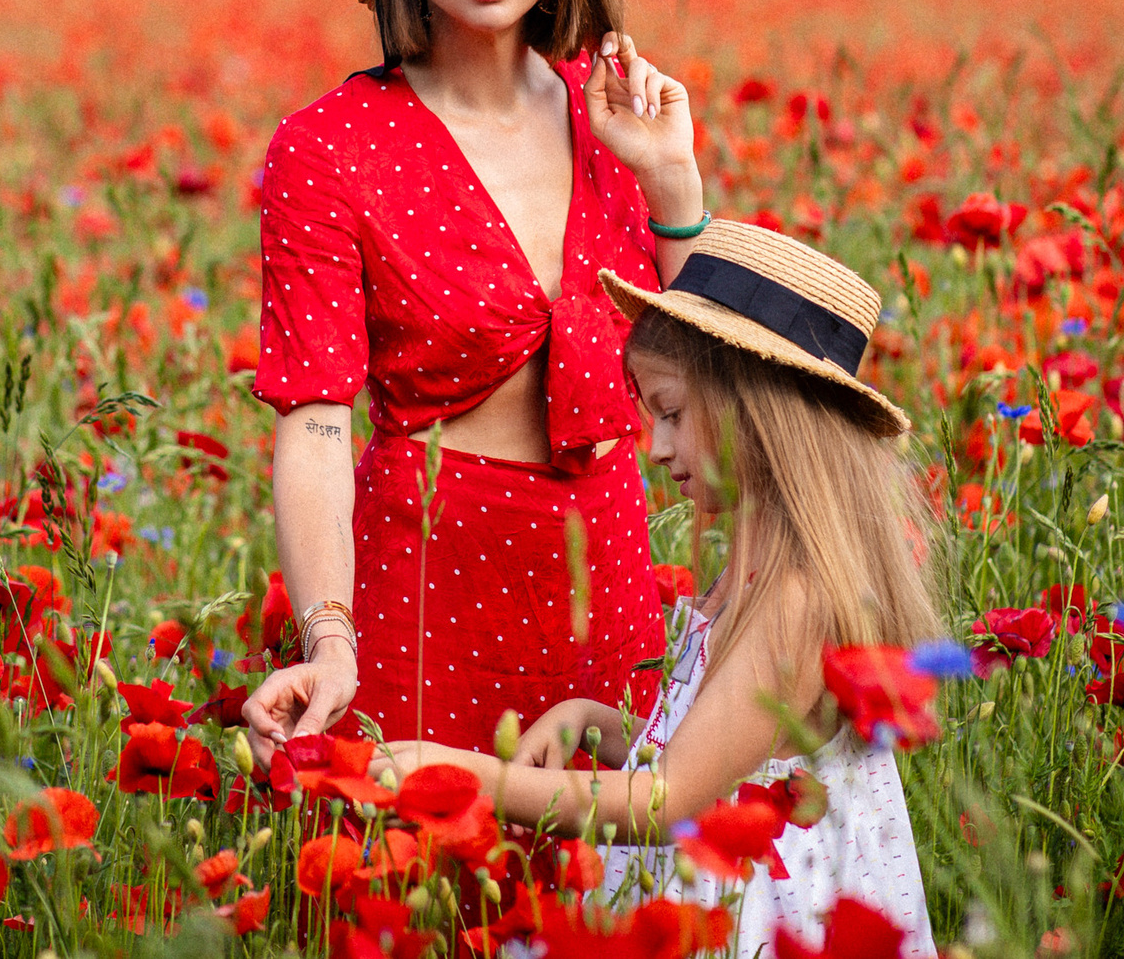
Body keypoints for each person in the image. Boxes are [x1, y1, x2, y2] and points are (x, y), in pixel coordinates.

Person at [241, 0, 712, 763]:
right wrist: (332, 638)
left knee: (612, 891)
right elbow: (317, 420)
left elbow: (710, 368)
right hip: (426, 585)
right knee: (426, 885)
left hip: (608, 570)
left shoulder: (616, 112)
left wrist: (671, 180)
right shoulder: (330, 145)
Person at [379, 220, 942, 959]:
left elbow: (667, 799)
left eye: (672, 412)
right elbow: (730, 755)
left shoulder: (795, 601)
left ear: (760, 413)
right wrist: (594, 721)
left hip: (762, 923)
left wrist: (464, 776)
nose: (659, 445)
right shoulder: (753, 575)